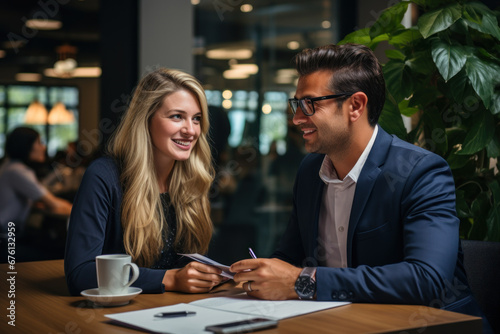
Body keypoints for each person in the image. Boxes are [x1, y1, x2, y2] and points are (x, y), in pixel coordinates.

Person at [230, 44, 491, 332]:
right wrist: (256, 274)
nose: (297, 119)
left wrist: (302, 282)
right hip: (338, 323)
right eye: (296, 104)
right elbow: (291, 258)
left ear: (355, 105)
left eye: (309, 105)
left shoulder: (421, 172)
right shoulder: (309, 171)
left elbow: (426, 278)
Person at [65, 68, 224, 295]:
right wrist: (169, 279)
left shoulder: (191, 179)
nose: (191, 130)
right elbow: (80, 274)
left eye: (196, 119)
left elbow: (188, 265)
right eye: (177, 116)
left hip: (173, 313)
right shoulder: (103, 176)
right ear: (145, 119)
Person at [0, 127, 72, 235]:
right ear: (26, 146)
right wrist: (85, 212)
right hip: (8, 238)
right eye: (39, 142)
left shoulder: (9, 166)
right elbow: (55, 205)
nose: (43, 147)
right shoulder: (18, 171)